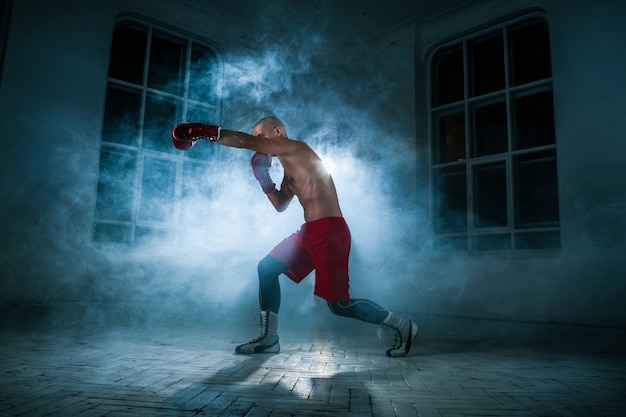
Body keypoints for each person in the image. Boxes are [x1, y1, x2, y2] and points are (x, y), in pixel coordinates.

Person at [171, 117, 418, 357]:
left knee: (339, 306)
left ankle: (402, 325)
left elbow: (244, 141)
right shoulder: (289, 170)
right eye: (257, 137)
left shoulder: (297, 148)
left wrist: (202, 131)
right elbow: (280, 204)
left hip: (331, 232)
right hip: (310, 232)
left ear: (277, 132)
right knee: (267, 268)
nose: (258, 141)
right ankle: (269, 338)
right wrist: (264, 180)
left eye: (261, 135)